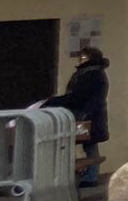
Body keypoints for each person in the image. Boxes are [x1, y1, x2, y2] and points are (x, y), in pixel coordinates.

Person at [43, 47, 109, 188]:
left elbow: (78, 97)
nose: (80, 59)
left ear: (90, 58)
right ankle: (90, 176)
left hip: (85, 115)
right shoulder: (94, 72)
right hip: (91, 115)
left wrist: (54, 101)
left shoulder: (90, 74)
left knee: (77, 142)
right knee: (89, 144)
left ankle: (88, 177)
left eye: (83, 57)